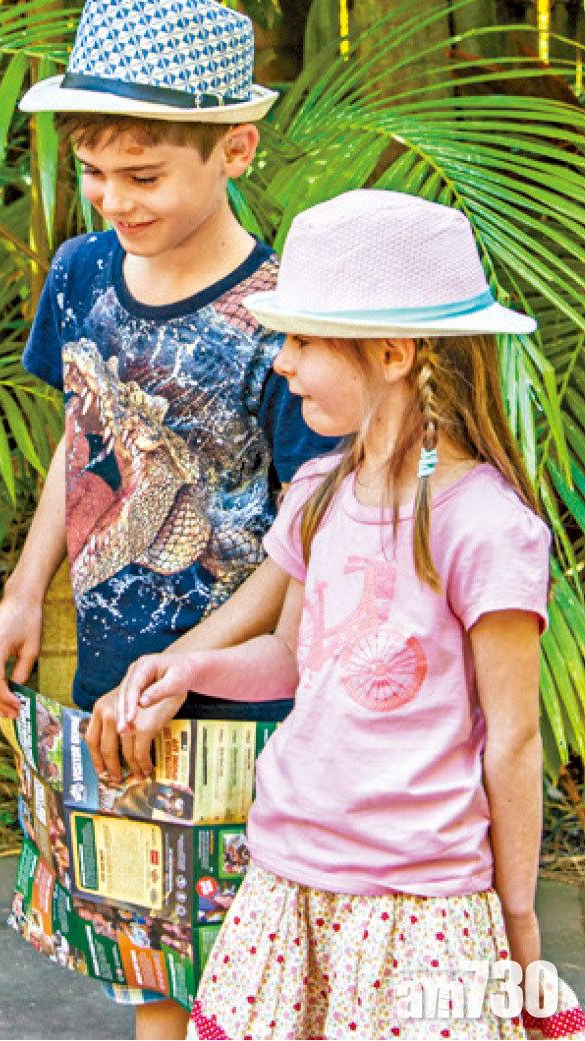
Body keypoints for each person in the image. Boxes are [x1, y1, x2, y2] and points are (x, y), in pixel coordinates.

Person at [118, 190, 585, 1039]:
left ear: (395, 352)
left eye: (302, 340)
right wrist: (191, 668)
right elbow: (294, 660)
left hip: (422, 904)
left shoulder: (484, 526)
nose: (282, 362)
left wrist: (518, 916)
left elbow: (513, 738)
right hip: (290, 875)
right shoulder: (317, 494)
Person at [0, 0, 335, 1039]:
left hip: (240, 686)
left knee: (242, 963)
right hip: (105, 674)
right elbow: (78, 446)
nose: (113, 199)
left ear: (234, 150)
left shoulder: (280, 319)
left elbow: (304, 527)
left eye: (142, 173)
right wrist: (23, 594)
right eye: (92, 172)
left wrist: (195, 662)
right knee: (145, 957)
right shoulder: (80, 272)